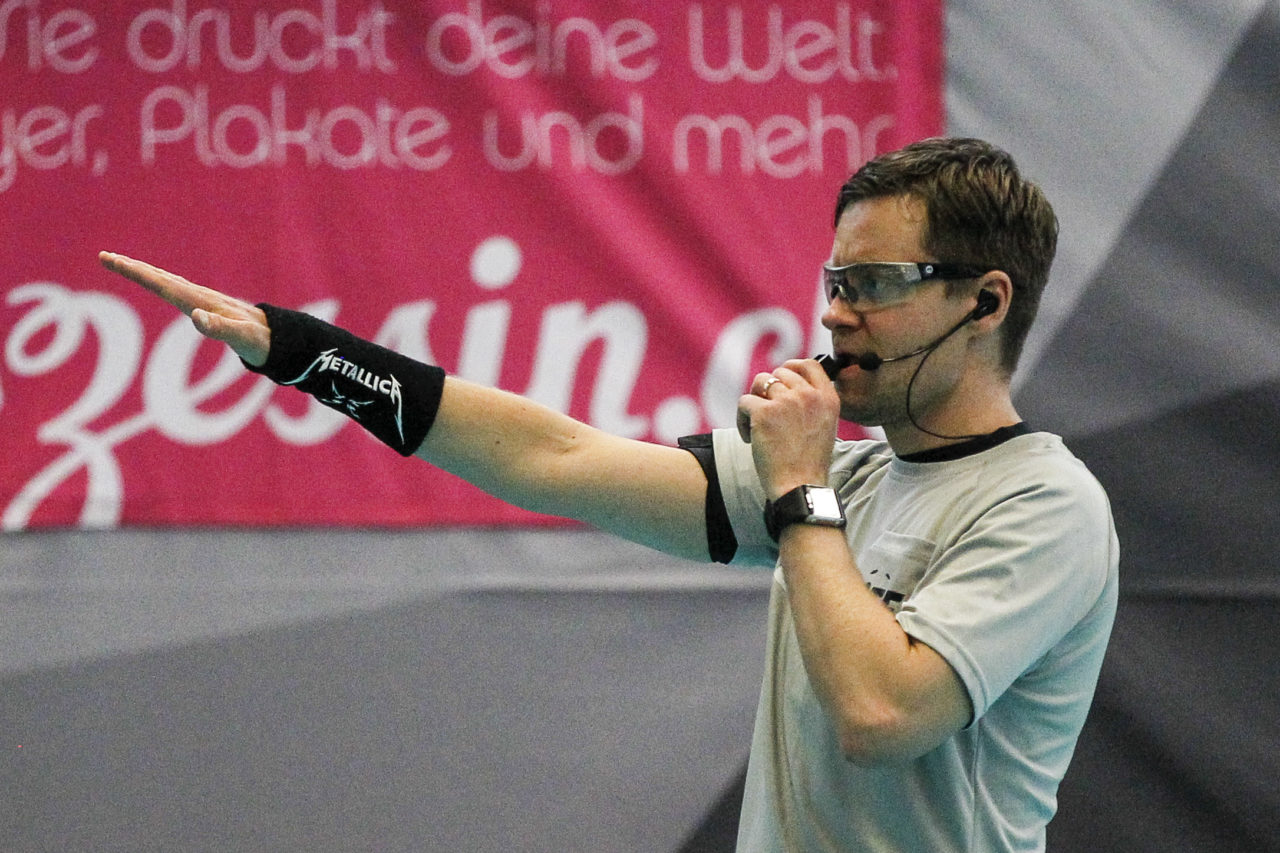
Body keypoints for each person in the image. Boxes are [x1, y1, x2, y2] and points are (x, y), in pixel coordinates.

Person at [99, 136, 1118, 852]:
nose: (837, 314)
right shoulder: (850, 477)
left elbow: (877, 709)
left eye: (876, 283)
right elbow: (554, 456)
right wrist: (301, 353)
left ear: (984, 300)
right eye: (833, 281)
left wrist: (797, 488)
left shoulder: (1042, 508)